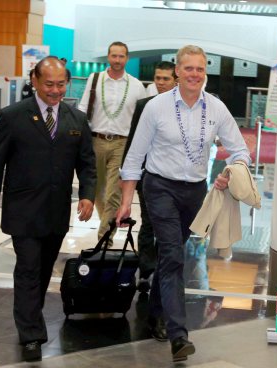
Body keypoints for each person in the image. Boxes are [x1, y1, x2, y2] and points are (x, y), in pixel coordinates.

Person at [116, 45, 251, 363]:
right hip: (160, 187)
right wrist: (125, 202)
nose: (194, 75)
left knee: (170, 257)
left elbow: (240, 150)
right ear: (177, 71)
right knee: (173, 256)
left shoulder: (215, 108)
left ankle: (156, 313)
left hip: (194, 193)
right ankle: (179, 335)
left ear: (206, 73)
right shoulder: (156, 107)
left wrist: (229, 172)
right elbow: (135, 157)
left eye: (200, 69)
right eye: (188, 68)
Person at [0, 56, 96, 362]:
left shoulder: (76, 119)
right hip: (23, 209)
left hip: (56, 211)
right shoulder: (14, 115)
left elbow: (87, 164)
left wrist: (87, 195)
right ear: (35, 80)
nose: (56, 91)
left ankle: (32, 317)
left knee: (43, 270)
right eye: (49, 84)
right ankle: (30, 334)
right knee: (28, 268)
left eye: (60, 84)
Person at [79, 41, 146, 246]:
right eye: (114, 56)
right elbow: (83, 110)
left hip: (122, 144)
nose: (117, 60)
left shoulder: (136, 85)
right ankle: (107, 224)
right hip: (95, 140)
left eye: (121, 56)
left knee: (113, 193)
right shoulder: (95, 79)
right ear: (108, 57)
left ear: (127, 58)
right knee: (97, 191)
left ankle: (103, 240)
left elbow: (143, 118)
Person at [121, 61, 176, 294]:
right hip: (147, 176)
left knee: (170, 227)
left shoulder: (183, 107)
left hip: (174, 178)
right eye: (158, 78)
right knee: (148, 222)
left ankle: (166, 270)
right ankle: (146, 270)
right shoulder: (144, 106)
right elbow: (133, 142)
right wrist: (126, 176)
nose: (161, 83)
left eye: (166, 79)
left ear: (176, 80)